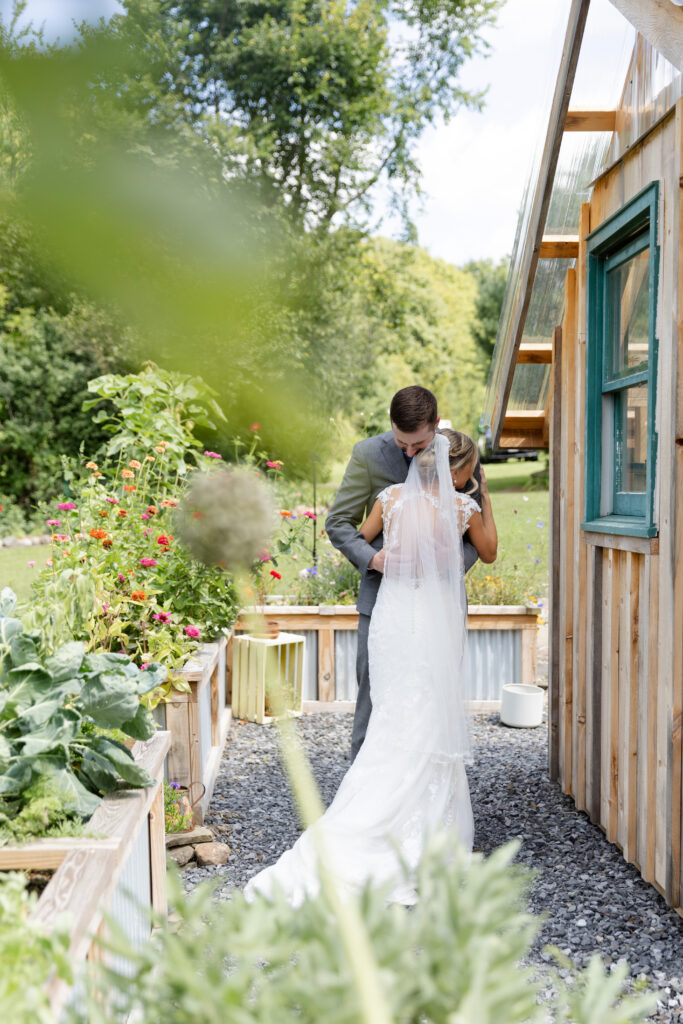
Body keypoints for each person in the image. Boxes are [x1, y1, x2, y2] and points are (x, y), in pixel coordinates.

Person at [244, 430, 498, 907]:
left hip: (394, 617)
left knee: (391, 714)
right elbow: (488, 552)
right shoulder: (463, 509)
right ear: (459, 471)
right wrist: (481, 498)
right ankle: (424, 830)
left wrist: (391, 555)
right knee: (428, 715)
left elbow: (363, 539)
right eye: (468, 472)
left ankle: (364, 811)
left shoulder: (391, 497)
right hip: (433, 621)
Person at [325, 386, 483, 761]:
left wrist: (450, 560)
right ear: (391, 425)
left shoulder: (459, 451)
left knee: (432, 694)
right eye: (402, 443)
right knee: (374, 695)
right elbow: (339, 524)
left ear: (435, 424)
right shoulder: (367, 454)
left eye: (420, 444)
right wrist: (375, 559)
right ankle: (364, 788)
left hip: (439, 604)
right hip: (383, 600)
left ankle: (428, 791)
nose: (410, 453)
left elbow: (473, 526)